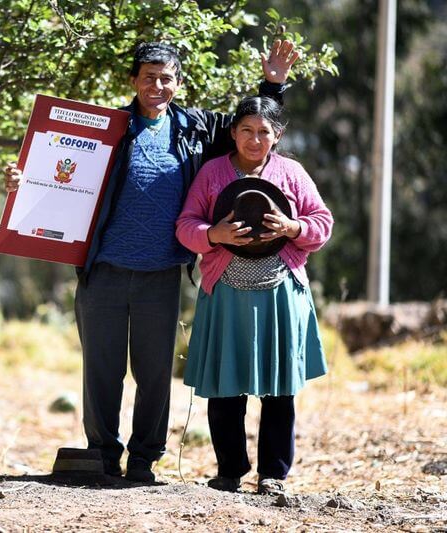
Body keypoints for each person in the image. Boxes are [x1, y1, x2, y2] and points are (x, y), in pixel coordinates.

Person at [5, 41, 299, 482]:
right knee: (102, 371)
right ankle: (103, 455)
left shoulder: (194, 128)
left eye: (166, 78)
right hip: (102, 269)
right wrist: (22, 180)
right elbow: (56, 170)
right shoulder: (105, 130)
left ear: (178, 84)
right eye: (148, 77)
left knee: (156, 372)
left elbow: (253, 128)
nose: (157, 86)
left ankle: (144, 459)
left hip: (160, 273)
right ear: (133, 81)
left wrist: (273, 83)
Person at [175, 95, 333, 495]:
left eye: (264, 131)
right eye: (246, 130)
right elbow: (185, 224)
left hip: (281, 293)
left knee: (279, 387)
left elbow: (322, 223)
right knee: (225, 384)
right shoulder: (212, 173)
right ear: (233, 133)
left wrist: (293, 228)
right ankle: (229, 471)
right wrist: (214, 234)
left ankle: (273, 475)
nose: (254, 139)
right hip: (225, 291)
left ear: (277, 135)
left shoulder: (292, 173)